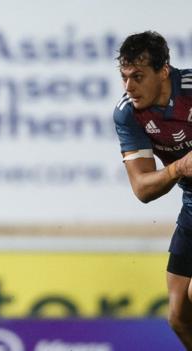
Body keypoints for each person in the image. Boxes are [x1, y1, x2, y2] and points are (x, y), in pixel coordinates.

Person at [114, 31, 192, 349]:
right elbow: (142, 189)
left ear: (164, 71)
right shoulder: (128, 114)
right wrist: (178, 168)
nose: (129, 87)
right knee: (178, 316)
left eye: (138, 77)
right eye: (124, 77)